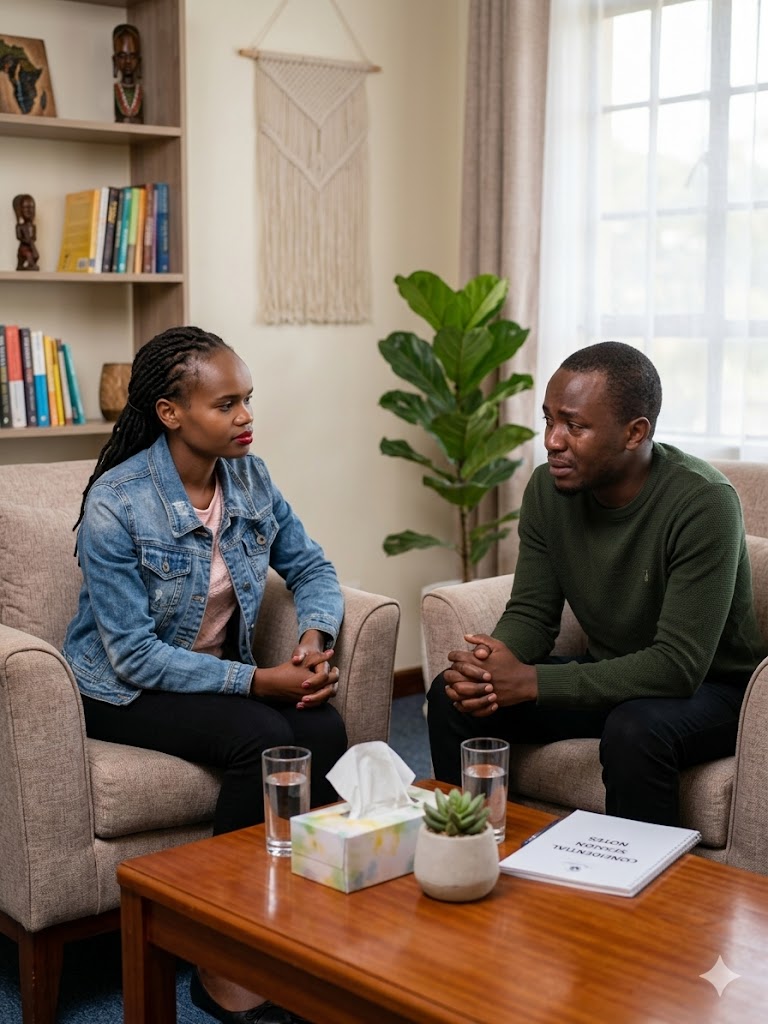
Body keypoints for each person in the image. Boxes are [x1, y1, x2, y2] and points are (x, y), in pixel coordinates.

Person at [63, 325, 343, 1024]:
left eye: (247, 400)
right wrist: (259, 683)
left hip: (213, 671)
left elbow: (311, 566)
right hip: (118, 689)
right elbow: (131, 653)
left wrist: (312, 640)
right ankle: (219, 953)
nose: (246, 417)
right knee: (259, 738)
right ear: (171, 413)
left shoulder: (250, 477)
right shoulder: (117, 504)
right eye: (226, 405)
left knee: (324, 725)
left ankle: (302, 922)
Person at [427, 341, 767, 829]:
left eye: (574, 425)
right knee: (452, 695)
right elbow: (532, 614)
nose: (552, 440)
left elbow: (677, 667)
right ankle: (467, 850)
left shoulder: (704, 502)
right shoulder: (548, 488)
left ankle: (643, 896)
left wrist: (531, 682)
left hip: (714, 689)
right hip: (613, 673)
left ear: (635, 433)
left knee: (634, 729)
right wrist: (490, 666)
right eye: (548, 421)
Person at [112, 23, 143, 123]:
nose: (128, 61)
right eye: (122, 56)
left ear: (139, 61)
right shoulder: (114, 91)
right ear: (114, 60)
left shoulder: (141, 91)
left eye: (132, 56)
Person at [13, 193, 39, 271]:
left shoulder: (33, 226)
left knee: (36, 256)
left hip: (31, 246)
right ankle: (25, 265)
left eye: (31, 208)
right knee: (28, 254)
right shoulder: (19, 226)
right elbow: (19, 237)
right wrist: (28, 241)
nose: (29, 211)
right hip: (23, 247)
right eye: (26, 208)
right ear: (21, 210)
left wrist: (31, 242)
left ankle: (31, 265)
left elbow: (34, 237)